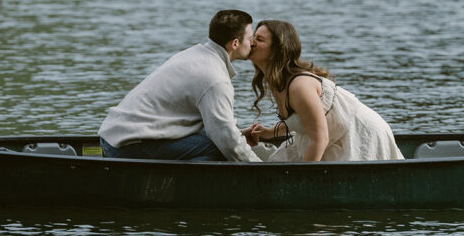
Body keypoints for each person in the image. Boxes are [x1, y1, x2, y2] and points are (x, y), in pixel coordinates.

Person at [98, 10, 262, 162]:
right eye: (250, 38)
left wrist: (237, 134)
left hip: (113, 137)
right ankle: (181, 189)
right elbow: (227, 141)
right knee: (220, 150)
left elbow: (219, 129)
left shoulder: (194, 55)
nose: (253, 43)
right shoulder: (215, 79)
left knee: (220, 142)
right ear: (234, 43)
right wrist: (262, 169)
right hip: (125, 148)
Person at [244, 20, 404, 162]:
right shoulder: (278, 80)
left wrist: (300, 181)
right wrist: (269, 132)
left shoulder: (299, 86)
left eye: (259, 39)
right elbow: (303, 118)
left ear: (277, 50)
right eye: (253, 38)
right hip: (325, 136)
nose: (251, 43)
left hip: (357, 135)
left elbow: (320, 139)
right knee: (277, 165)